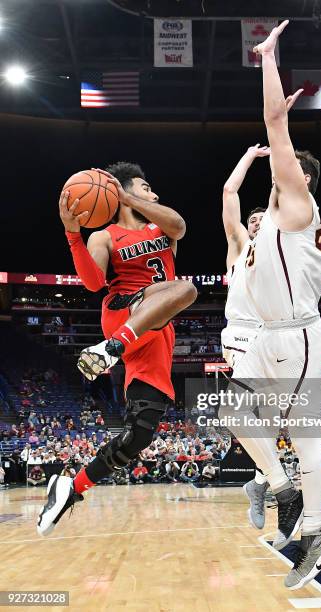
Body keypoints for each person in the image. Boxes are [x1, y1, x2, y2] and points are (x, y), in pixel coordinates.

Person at [219, 20, 321, 590]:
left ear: (298, 181)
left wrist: (267, 58)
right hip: (263, 336)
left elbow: (272, 126)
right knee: (231, 413)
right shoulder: (266, 228)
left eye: (283, 169)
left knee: (304, 432)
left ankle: (316, 531)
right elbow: (245, 190)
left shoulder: (297, 209)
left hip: (298, 335)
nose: (277, 170)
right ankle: (279, 487)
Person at [221, 139, 321, 540]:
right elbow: (229, 194)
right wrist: (253, 156)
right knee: (244, 416)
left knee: (276, 424)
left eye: (260, 218)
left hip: (278, 333)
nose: (256, 222)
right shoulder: (242, 246)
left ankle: (269, 485)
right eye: (252, 220)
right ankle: (273, 482)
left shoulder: (284, 236)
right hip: (244, 336)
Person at [37, 162, 197, 536]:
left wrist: (129, 196)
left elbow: (180, 226)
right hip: (123, 313)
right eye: (146, 187)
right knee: (185, 289)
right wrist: (73, 233)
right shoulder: (105, 236)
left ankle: (70, 488)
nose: (153, 193)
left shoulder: (162, 228)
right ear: (123, 190)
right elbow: (94, 284)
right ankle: (110, 349)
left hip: (156, 330)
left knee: (140, 434)